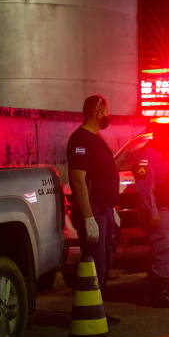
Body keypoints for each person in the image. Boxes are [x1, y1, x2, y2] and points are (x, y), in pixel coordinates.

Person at [66, 94, 121, 324]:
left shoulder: (96, 138)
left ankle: (97, 311)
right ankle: (90, 316)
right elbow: (79, 180)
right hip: (94, 212)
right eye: (106, 111)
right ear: (98, 113)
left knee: (104, 263)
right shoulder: (80, 140)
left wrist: (112, 208)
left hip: (104, 210)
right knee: (95, 265)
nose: (108, 116)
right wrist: (89, 217)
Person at [133, 122, 169, 308]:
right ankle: (159, 295)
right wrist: (152, 212)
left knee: (164, 252)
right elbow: (143, 187)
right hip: (161, 212)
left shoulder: (163, 152)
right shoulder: (147, 155)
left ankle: (160, 293)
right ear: (159, 135)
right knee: (162, 253)